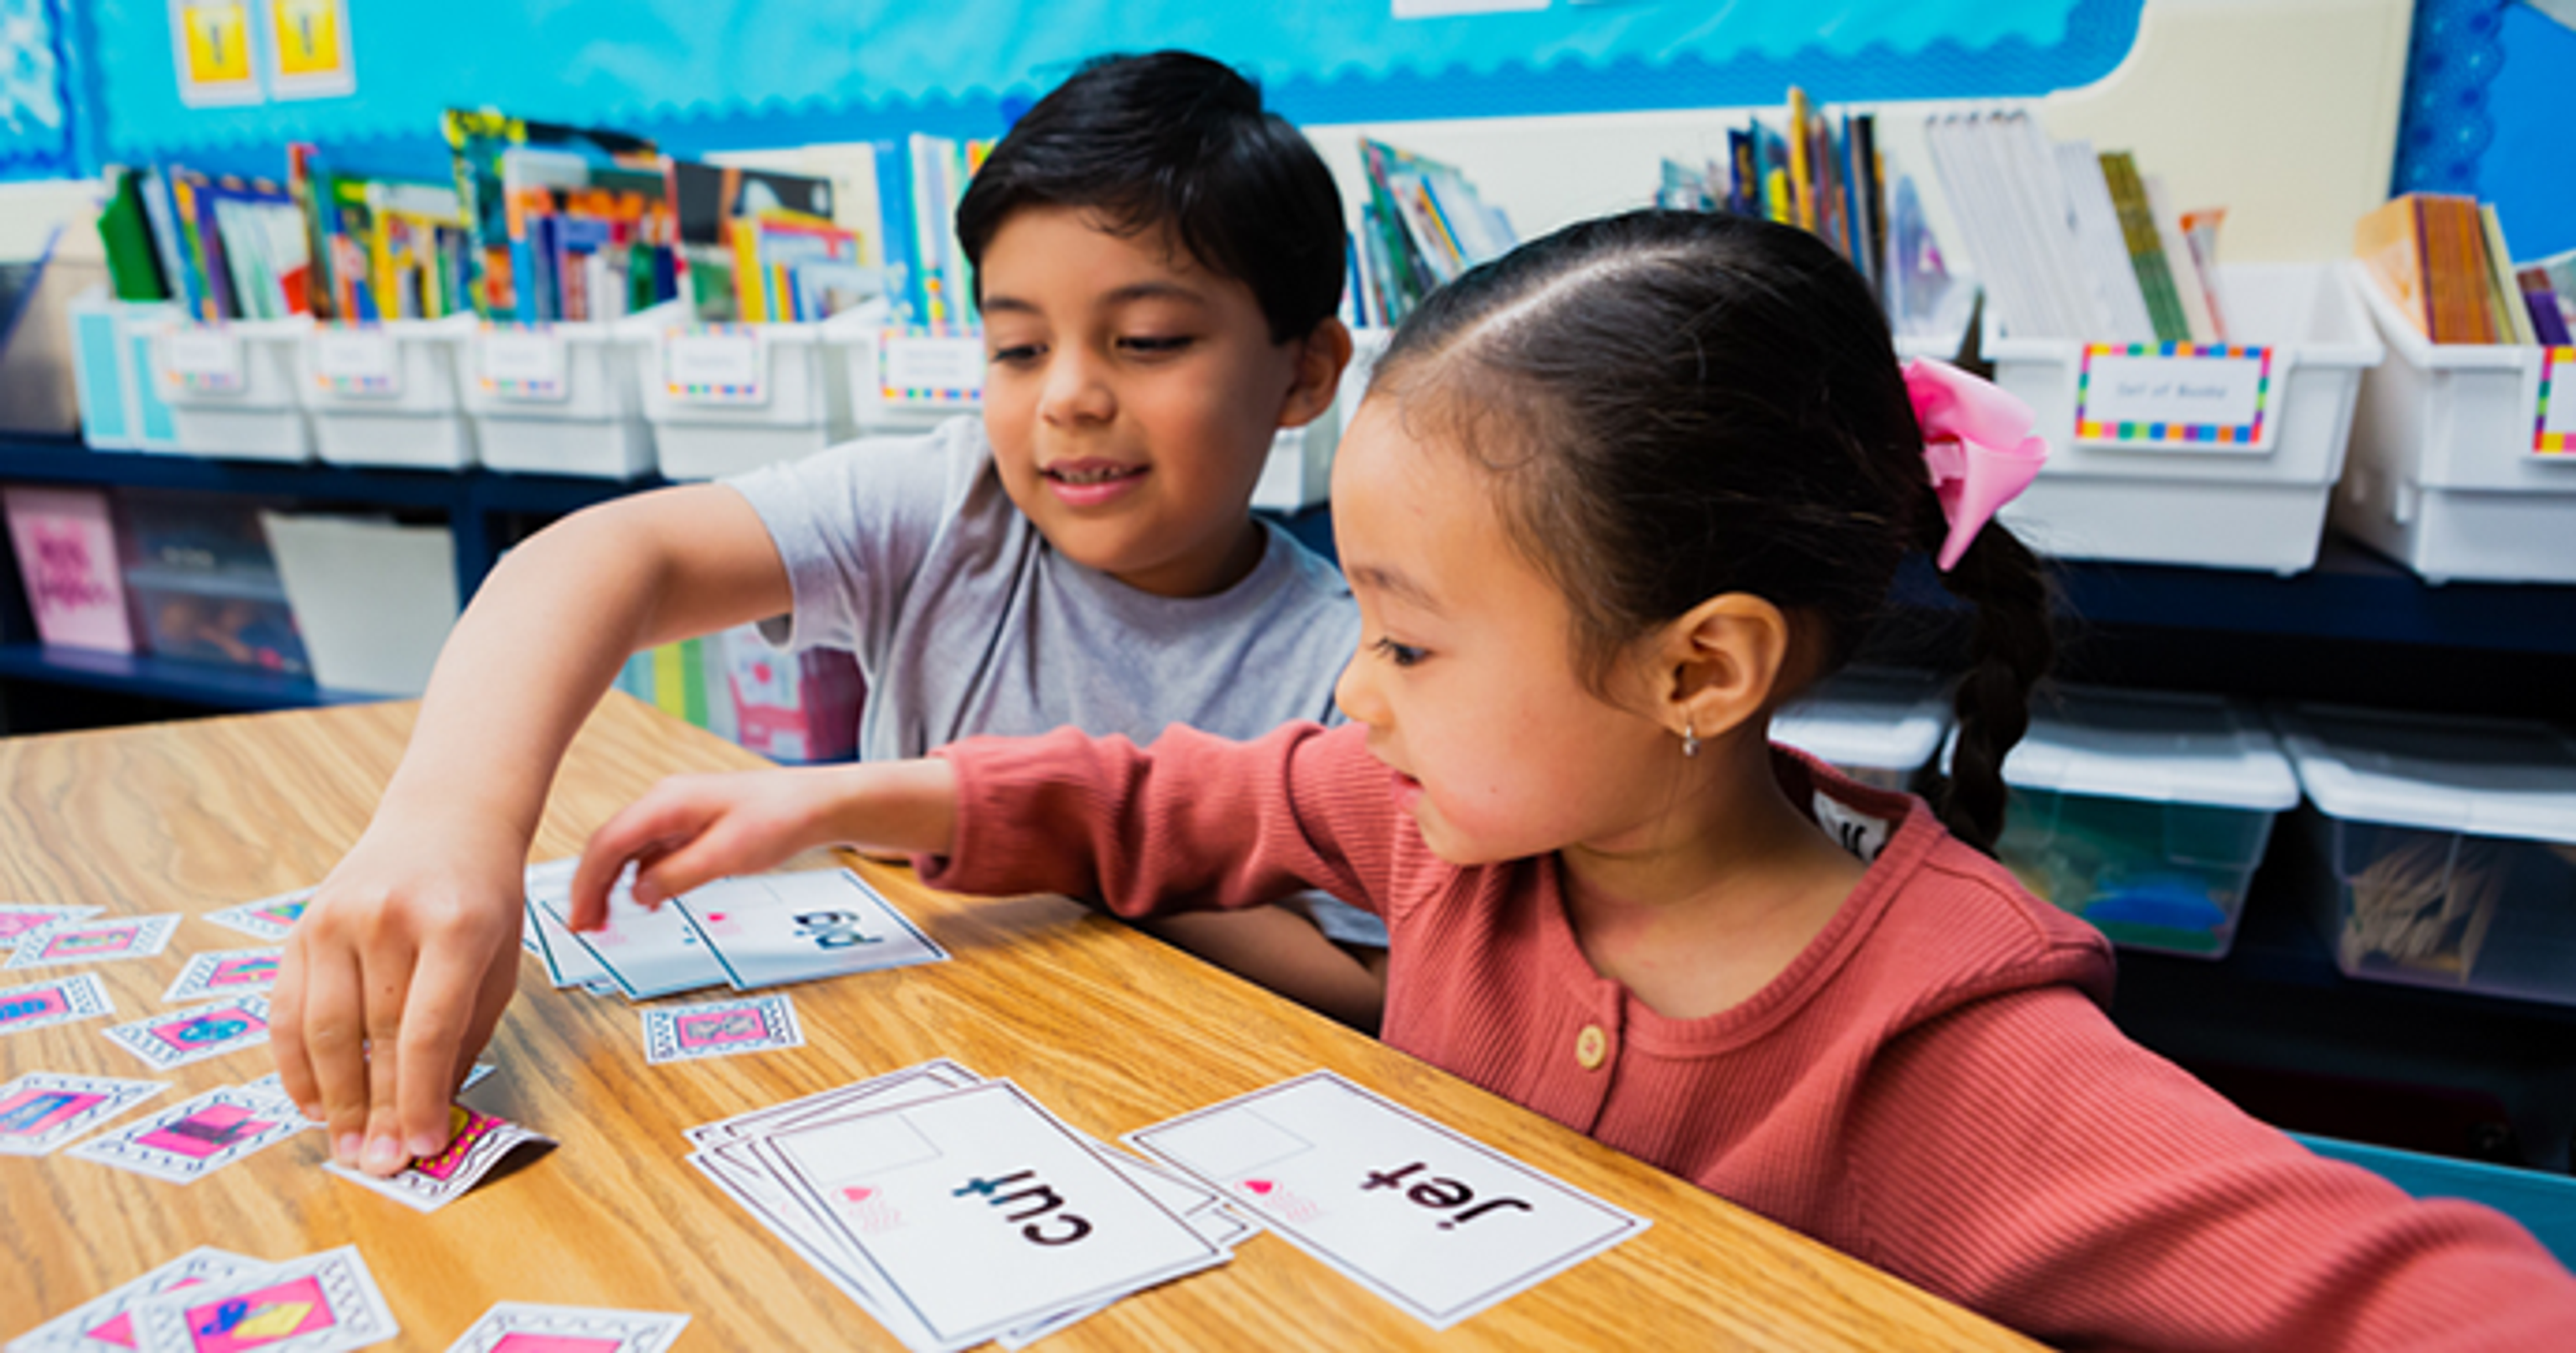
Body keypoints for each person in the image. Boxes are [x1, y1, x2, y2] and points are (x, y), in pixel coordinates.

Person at [571, 210, 2576, 1347]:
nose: (1349, 699)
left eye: (1411, 641)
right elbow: (1149, 797)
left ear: (1700, 668)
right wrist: (844, 802)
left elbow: (2442, 1299)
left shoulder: (1949, 1052)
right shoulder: (1454, 830)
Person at [273, 49, 1392, 1181]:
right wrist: (451, 815)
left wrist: (1028, 834)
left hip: (1184, 1132)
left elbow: (1366, 994)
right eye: (1017, 346)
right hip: (902, 1092)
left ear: (1305, 373)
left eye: (1146, 340)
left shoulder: (1351, 663)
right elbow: (615, 554)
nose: (1067, 395)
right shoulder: (957, 501)